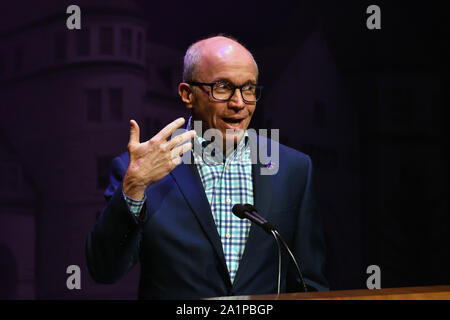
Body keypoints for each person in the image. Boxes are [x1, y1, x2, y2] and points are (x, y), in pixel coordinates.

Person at [86, 35, 328, 299]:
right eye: (223, 87)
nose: (239, 103)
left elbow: (309, 283)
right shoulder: (140, 170)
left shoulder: (292, 168)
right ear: (187, 94)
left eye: (249, 89)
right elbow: (104, 270)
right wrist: (134, 188)